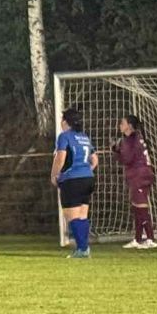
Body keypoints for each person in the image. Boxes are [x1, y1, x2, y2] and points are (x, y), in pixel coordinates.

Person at [53, 107, 99, 259]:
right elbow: (95, 160)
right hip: (88, 178)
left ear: (65, 122)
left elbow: (61, 157)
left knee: (72, 216)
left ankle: (82, 249)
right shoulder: (84, 136)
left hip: (72, 179)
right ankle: (84, 247)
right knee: (82, 215)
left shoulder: (64, 136)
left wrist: (55, 174)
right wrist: (86, 170)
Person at [112, 114, 157, 249]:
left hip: (139, 175)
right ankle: (138, 239)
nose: (120, 125)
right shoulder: (135, 138)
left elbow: (127, 159)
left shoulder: (131, 140)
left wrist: (116, 150)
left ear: (129, 126)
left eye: (122, 123)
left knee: (141, 207)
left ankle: (150, 239)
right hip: (140, 174)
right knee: (137, 207)